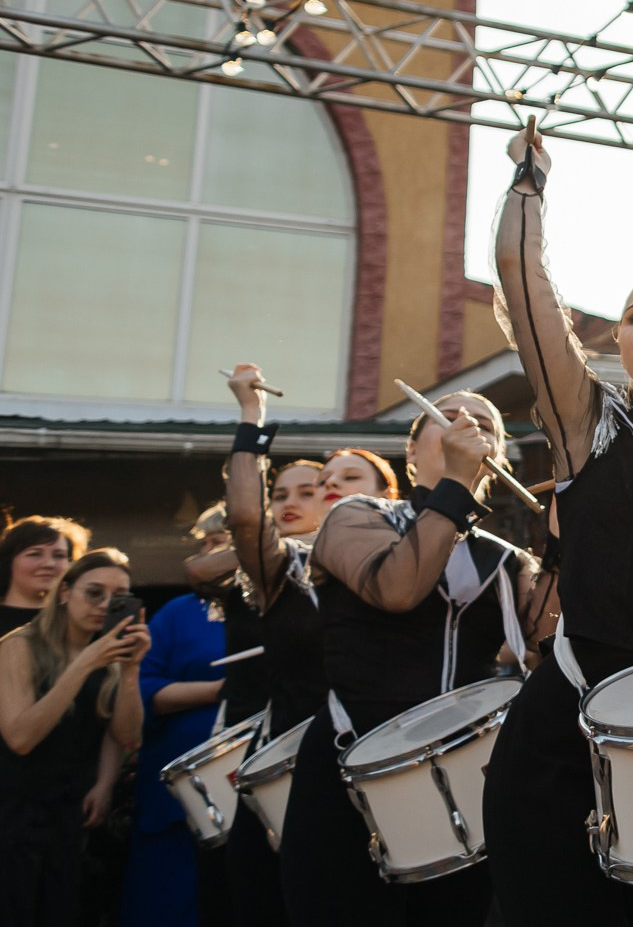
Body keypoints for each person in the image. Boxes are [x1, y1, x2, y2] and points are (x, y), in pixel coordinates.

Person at [484, 124, 633, 927]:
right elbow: (522, 282)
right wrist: (530, 180)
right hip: (571, 737)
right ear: (617, 344)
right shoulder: (594, 423)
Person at [278, 391, 533, 927]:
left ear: (498, 454)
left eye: (483, 423)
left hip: (464, 773)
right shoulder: (356, 515)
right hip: (354, 761)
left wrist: (564, 536)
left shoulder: (504, 557)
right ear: (412, 453)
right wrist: (456, 486)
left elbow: (545, 643)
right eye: (449, 417)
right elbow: (397, 589)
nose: (468, 425)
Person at [198, 366, 395, 927]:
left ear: (389, 497)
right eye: (319, 483)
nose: (326, 489)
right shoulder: (284, 570)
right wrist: (250, 418)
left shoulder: (416, 569)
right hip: (289, 780)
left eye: (341, 480)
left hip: (391, 775)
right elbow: (242, 517)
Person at [0, 548, 149, 925]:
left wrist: (130, 672)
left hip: (67, 808)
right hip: (12, 807)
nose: (104, 606)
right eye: (93, 593)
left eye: (118, 599)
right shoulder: (19, 645)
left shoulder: (110, 654)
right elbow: (20, 738)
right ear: (64, 593)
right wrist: (84, 664)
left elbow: (127, 736)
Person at [121, 509, 232, 927]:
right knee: (165, 902)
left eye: (221, 539)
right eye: (204, 542)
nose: (210, 550)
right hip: (176, 790)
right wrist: (226, 689)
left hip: (254, 788)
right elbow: (144, 691)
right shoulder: (177, 612)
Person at [1, 515, 91, 635]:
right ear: (9, 561)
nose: (49, 564)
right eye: (35, 554)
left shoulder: (81, 621)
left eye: (59, 555)